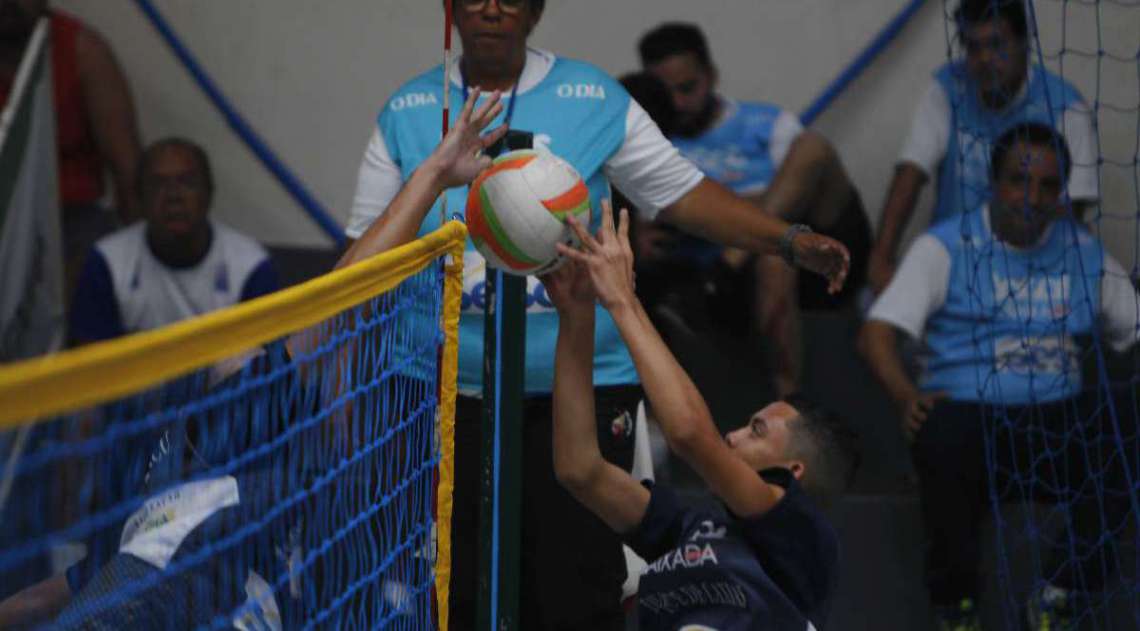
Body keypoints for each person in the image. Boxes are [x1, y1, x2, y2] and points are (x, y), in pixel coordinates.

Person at [346, 1, 851, 628]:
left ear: (535, 10)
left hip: (581, 385)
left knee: (574, 588)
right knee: (449, 593)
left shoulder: (592, 97)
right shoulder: (409, 110)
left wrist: (786, 240)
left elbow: (682, 194)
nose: (492, 8)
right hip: (437, 393)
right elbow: (360, 266)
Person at [0, 89, 512, 630]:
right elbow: (343, 295)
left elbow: (47, 596)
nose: (255, 348)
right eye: (248, 352)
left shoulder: (156, 495)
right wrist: (432, 174)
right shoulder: (235, 429)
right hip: (152, 604)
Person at [858, 122, 1137, 630]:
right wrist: (904, 397)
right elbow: (876, 332)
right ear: (993, 182)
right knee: (939, 427)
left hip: (1058, 429)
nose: (1032, 198)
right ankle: (956, 606)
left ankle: (1062, 591)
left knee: (1129, 417)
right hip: (972, 428)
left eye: (1049, 186)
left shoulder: (1083, 251)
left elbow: (1133, 330)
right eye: (1019, 181)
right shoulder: (944, 246)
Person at [543, 200, 859, 630]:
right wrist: (576, 315)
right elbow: (580, 470)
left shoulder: (802, 535)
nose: (733, 435)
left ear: (793, 471)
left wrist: (622, 300)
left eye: (757, 431)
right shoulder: (689, 527)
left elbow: (691, 435)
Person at [638, 22, 871, 396]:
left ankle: (730, 264)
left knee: (812, 149)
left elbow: (803, 194)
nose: (679, 103)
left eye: (688, 88)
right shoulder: (649, 143)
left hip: (798, 259)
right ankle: (788, 399)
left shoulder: (768, 124)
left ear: (710, 76)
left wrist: (706, 211)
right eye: (667, 94)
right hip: (713, 285)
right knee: (774, 254)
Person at [866, 0, 1098, 295]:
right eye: (974, 48)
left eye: (997, 44)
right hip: (953, 264)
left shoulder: (1066, 107)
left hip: (1034, 271)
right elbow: (911, 172)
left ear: (1025, 44)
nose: (985, 58)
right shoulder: (949, 87)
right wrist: (882, 259)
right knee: (871, 306)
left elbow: (1070, 216)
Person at [69, 138, 279, 346]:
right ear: (139, 196)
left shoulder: (250, 266)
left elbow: (266, 367)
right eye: (158, 184)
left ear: (208, 193)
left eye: (187, 182)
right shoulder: (107, 262)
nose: (173, 196)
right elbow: (91, 365)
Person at [0, 0, 142, 294]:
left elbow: (127, 169)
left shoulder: (82, 50)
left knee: (91, 271)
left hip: (70, 218)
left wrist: (137, 263)